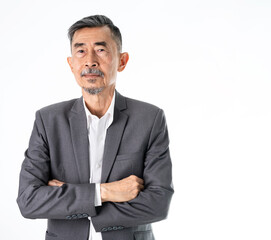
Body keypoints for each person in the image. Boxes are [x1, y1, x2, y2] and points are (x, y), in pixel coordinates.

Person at [17, 15, 173, 240]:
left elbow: (158, 203)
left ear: (122, 60)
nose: (90, 61)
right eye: (80, 51)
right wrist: (106, 192)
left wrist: (68, 198)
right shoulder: (48, 120)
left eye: (101, 50)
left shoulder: (149, 119)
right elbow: (28, 201)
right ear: (71, 64)